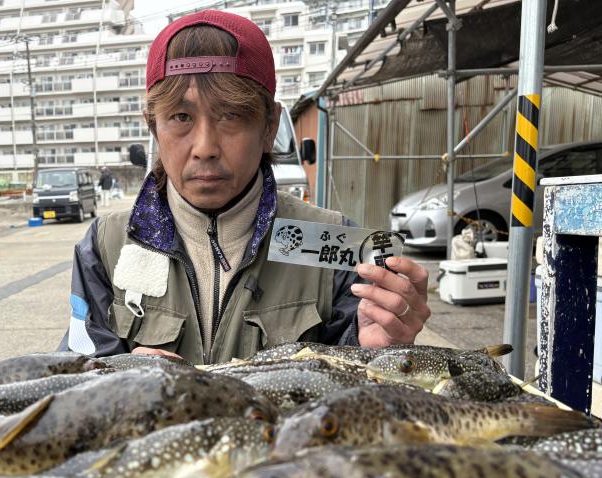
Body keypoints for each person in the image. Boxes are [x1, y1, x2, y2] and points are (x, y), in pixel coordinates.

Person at [59, 10, 431, 365]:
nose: (205, 148)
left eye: (231, 115)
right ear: (154, 126)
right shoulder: (108, 244)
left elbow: (359, 396)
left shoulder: (336, 242)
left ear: (269, 126)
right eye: (181, 117)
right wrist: (116, 380)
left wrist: (380, 349)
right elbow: (75, 377)